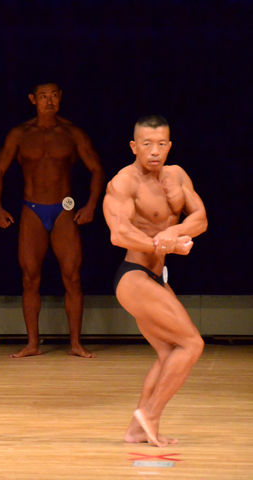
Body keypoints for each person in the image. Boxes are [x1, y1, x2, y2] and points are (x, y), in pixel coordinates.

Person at [103, 115, 206, 447]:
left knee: (168, 352)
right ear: (134, 146)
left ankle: (136, 430)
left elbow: (200, 218)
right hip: (134, 277)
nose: (154, 151)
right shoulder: (123, 182)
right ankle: (150, 415)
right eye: (147, 144)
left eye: (161, 144)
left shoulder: (177, 175)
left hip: (157, 277)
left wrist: (174, 232)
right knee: (192, 344)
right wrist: (162, 245)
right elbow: (119, 233)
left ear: (170, 145)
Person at [0, 82, 105, 358]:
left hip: (64, 208)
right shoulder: (20, 134)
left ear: (60, 97)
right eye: (43, 96)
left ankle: (75, 343)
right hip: (31, 209)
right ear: (33, 99)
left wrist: (91, 205)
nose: (49, 101)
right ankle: (32, 343)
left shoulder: (72, 133)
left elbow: (96, 169)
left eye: (54, 95)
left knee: (73, 277)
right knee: (30, 279)